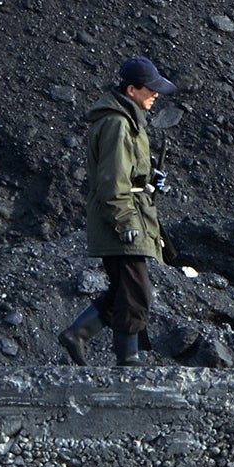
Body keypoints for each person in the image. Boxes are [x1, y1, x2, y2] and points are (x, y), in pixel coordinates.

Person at [58, 56, 175, 365]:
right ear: (132, 89)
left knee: (127, 289)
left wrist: (152, 181)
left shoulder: (127, 120)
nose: (155, 95)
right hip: (122, 219)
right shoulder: (118, 124)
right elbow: (112, 179)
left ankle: (78, 333)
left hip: (131, 214)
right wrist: (124, 221)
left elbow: (129, 172)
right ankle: (128, 359)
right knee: (137, 294)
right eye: (150, 89)